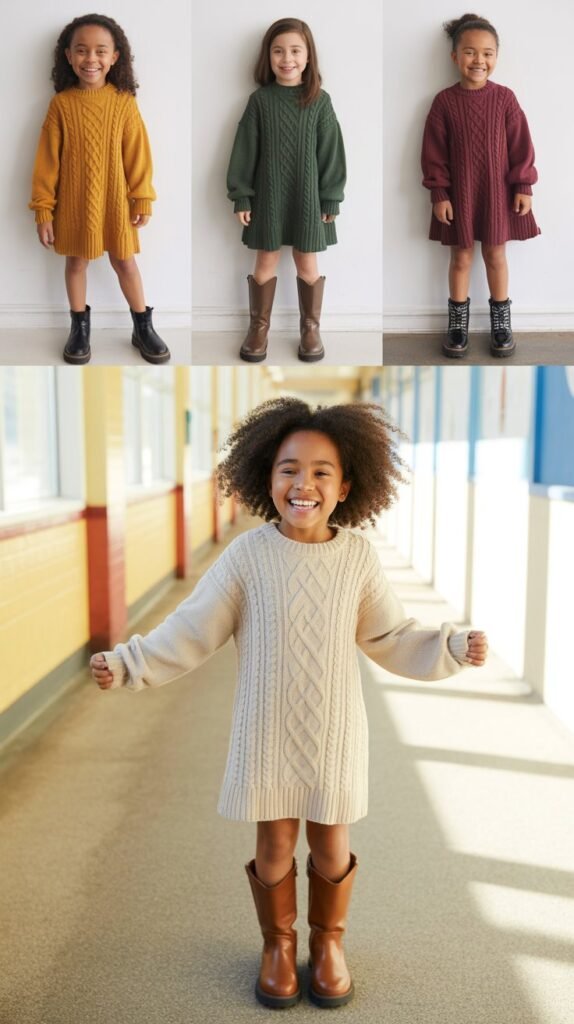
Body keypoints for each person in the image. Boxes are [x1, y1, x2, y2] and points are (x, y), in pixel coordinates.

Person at [90, 398, 488, 1010]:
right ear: (264, 477)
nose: (303, 484)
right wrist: (129, 662)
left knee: (331, 844)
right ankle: (278, 945)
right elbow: (192, 628)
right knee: (274, 843)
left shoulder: (356, 556)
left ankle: (328, 944)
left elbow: (388, 636)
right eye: (288, 469)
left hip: (333, 733)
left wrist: (450, 646)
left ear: (347, 486)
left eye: (321, 472)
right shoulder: (247, 556)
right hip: (268, 731)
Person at [29, 14, 170, 365]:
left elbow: (138, 154)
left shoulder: (123, 102)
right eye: (82, 50)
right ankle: (79, 327)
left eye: (100, 51)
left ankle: (142, 325)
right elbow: (47, 162)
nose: (90, 59)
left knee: (125, 262)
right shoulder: (61, 105)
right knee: (75, 262)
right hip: (75, 203)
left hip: (115, 203)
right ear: (68, 56)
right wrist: (44, 209)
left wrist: (142, 196)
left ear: (114, 57)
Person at [226, 19, 346, 363]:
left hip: (308, 198)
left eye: (295, 50)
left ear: (308, 58)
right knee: (265, 260)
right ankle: (258, 327)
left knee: (307, 262)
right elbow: (244, 151)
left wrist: (330, 197)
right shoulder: (259, 101)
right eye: (278, 51)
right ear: (268, 57)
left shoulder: (320, 102)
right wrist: (242, 195)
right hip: (268, 197)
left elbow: (332, 154)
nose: (287, 58)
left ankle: (310, 328)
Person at [421, 13, 540, 359]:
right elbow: (433, 154)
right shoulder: (443, 102)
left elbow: (522, 147)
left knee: (495, 255)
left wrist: (524, 186)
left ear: (496, 57)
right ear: (455, 57)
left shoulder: (505, 99)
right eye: (470, 52)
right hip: (459, 196)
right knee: (460, 256)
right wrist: (439, 193)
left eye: (487, 53)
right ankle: (457, 325)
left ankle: (501, 324)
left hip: (497, 193)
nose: (479, 60)